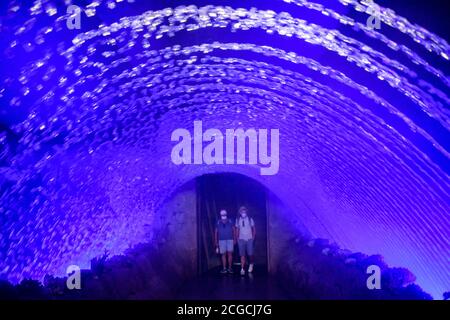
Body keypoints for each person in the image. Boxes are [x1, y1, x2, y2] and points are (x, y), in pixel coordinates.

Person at [214, 209, 236, 274]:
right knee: (223, 255)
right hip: (221, 240)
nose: (223, 215)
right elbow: (216, 232)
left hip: (230, 239)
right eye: (222, 214)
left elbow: (234, 230)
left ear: (226, 214)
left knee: (230, 254)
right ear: (220, 214)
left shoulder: (230, 221)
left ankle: (230, 268)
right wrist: (216, 241)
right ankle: (224, 268)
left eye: (224, 214)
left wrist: (235, 239)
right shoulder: (218, 222)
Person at [235, 206, 255, 276]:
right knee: (242, 255)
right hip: (241, 239)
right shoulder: (238, 220)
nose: (243, 213)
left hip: (249, 239)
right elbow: (237, 229)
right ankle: (242, 268)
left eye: (244, 212)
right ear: (240, 212)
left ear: (246, 212)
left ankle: (251, 264)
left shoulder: (250, 219)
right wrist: (237, 238)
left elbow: (253, 228)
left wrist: (253, 237)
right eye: (242, 212)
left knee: (250, 254)